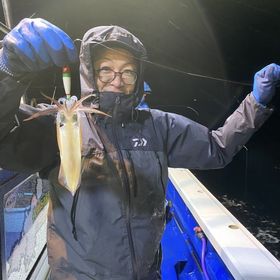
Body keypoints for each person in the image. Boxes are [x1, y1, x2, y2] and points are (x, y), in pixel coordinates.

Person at [0, 18, 279, 280]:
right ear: (89, 72)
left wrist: (255, 102)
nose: (117, 80)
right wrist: (8, 72)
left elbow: (217, 148)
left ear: (138, 76)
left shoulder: (160, 126)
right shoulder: (59, 122)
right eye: (106, 69)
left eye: (128, 71)